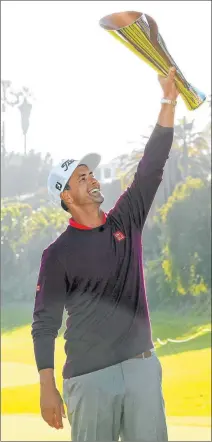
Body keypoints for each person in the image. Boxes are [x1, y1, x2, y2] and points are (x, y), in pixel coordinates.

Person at [32, 67, 179, 441]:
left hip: (142, 367)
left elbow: (151, 168)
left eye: (92, 174)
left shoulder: (125, 220)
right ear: (66, 197)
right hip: (90, 377)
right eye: (82, 178)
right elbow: (44, 325)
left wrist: (168, 101)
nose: (93, 179)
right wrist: (47, 385)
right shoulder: (57, 254)